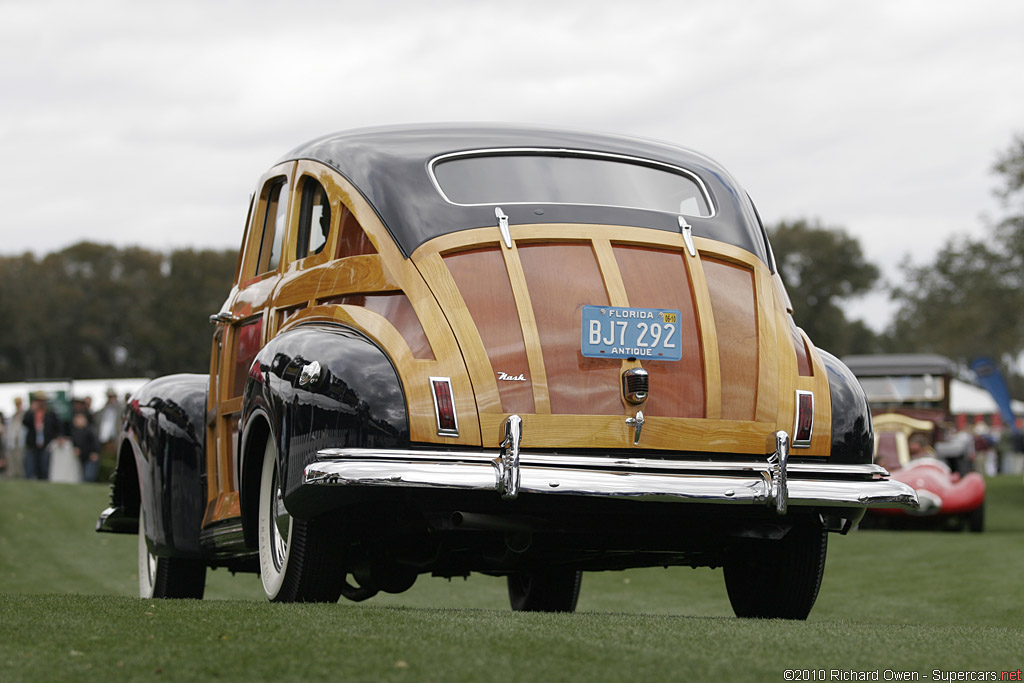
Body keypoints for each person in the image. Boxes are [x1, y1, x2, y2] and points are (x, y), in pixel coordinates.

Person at [22, 392, 63, 480]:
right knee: (30, 468)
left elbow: (57, 427)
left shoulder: (50, 414)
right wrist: (31, 411)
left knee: (44, 468)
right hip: (32, 445)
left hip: (46, 445)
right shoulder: (31, 413)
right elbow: (25, 422)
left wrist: (59, 437)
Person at [70, 411, 101, 483]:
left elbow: (96, 442)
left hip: (90, 457)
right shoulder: (74, 431)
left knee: (89, 476)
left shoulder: (90, 430)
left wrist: (95, 452)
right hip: (82, 457)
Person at [3, 396, 27, 478]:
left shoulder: (25, 414)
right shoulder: (13, 415)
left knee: (19, 459)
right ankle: (13, 475)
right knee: (12, 459)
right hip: (12, 441)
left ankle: (20, 475)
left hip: (20, 441)